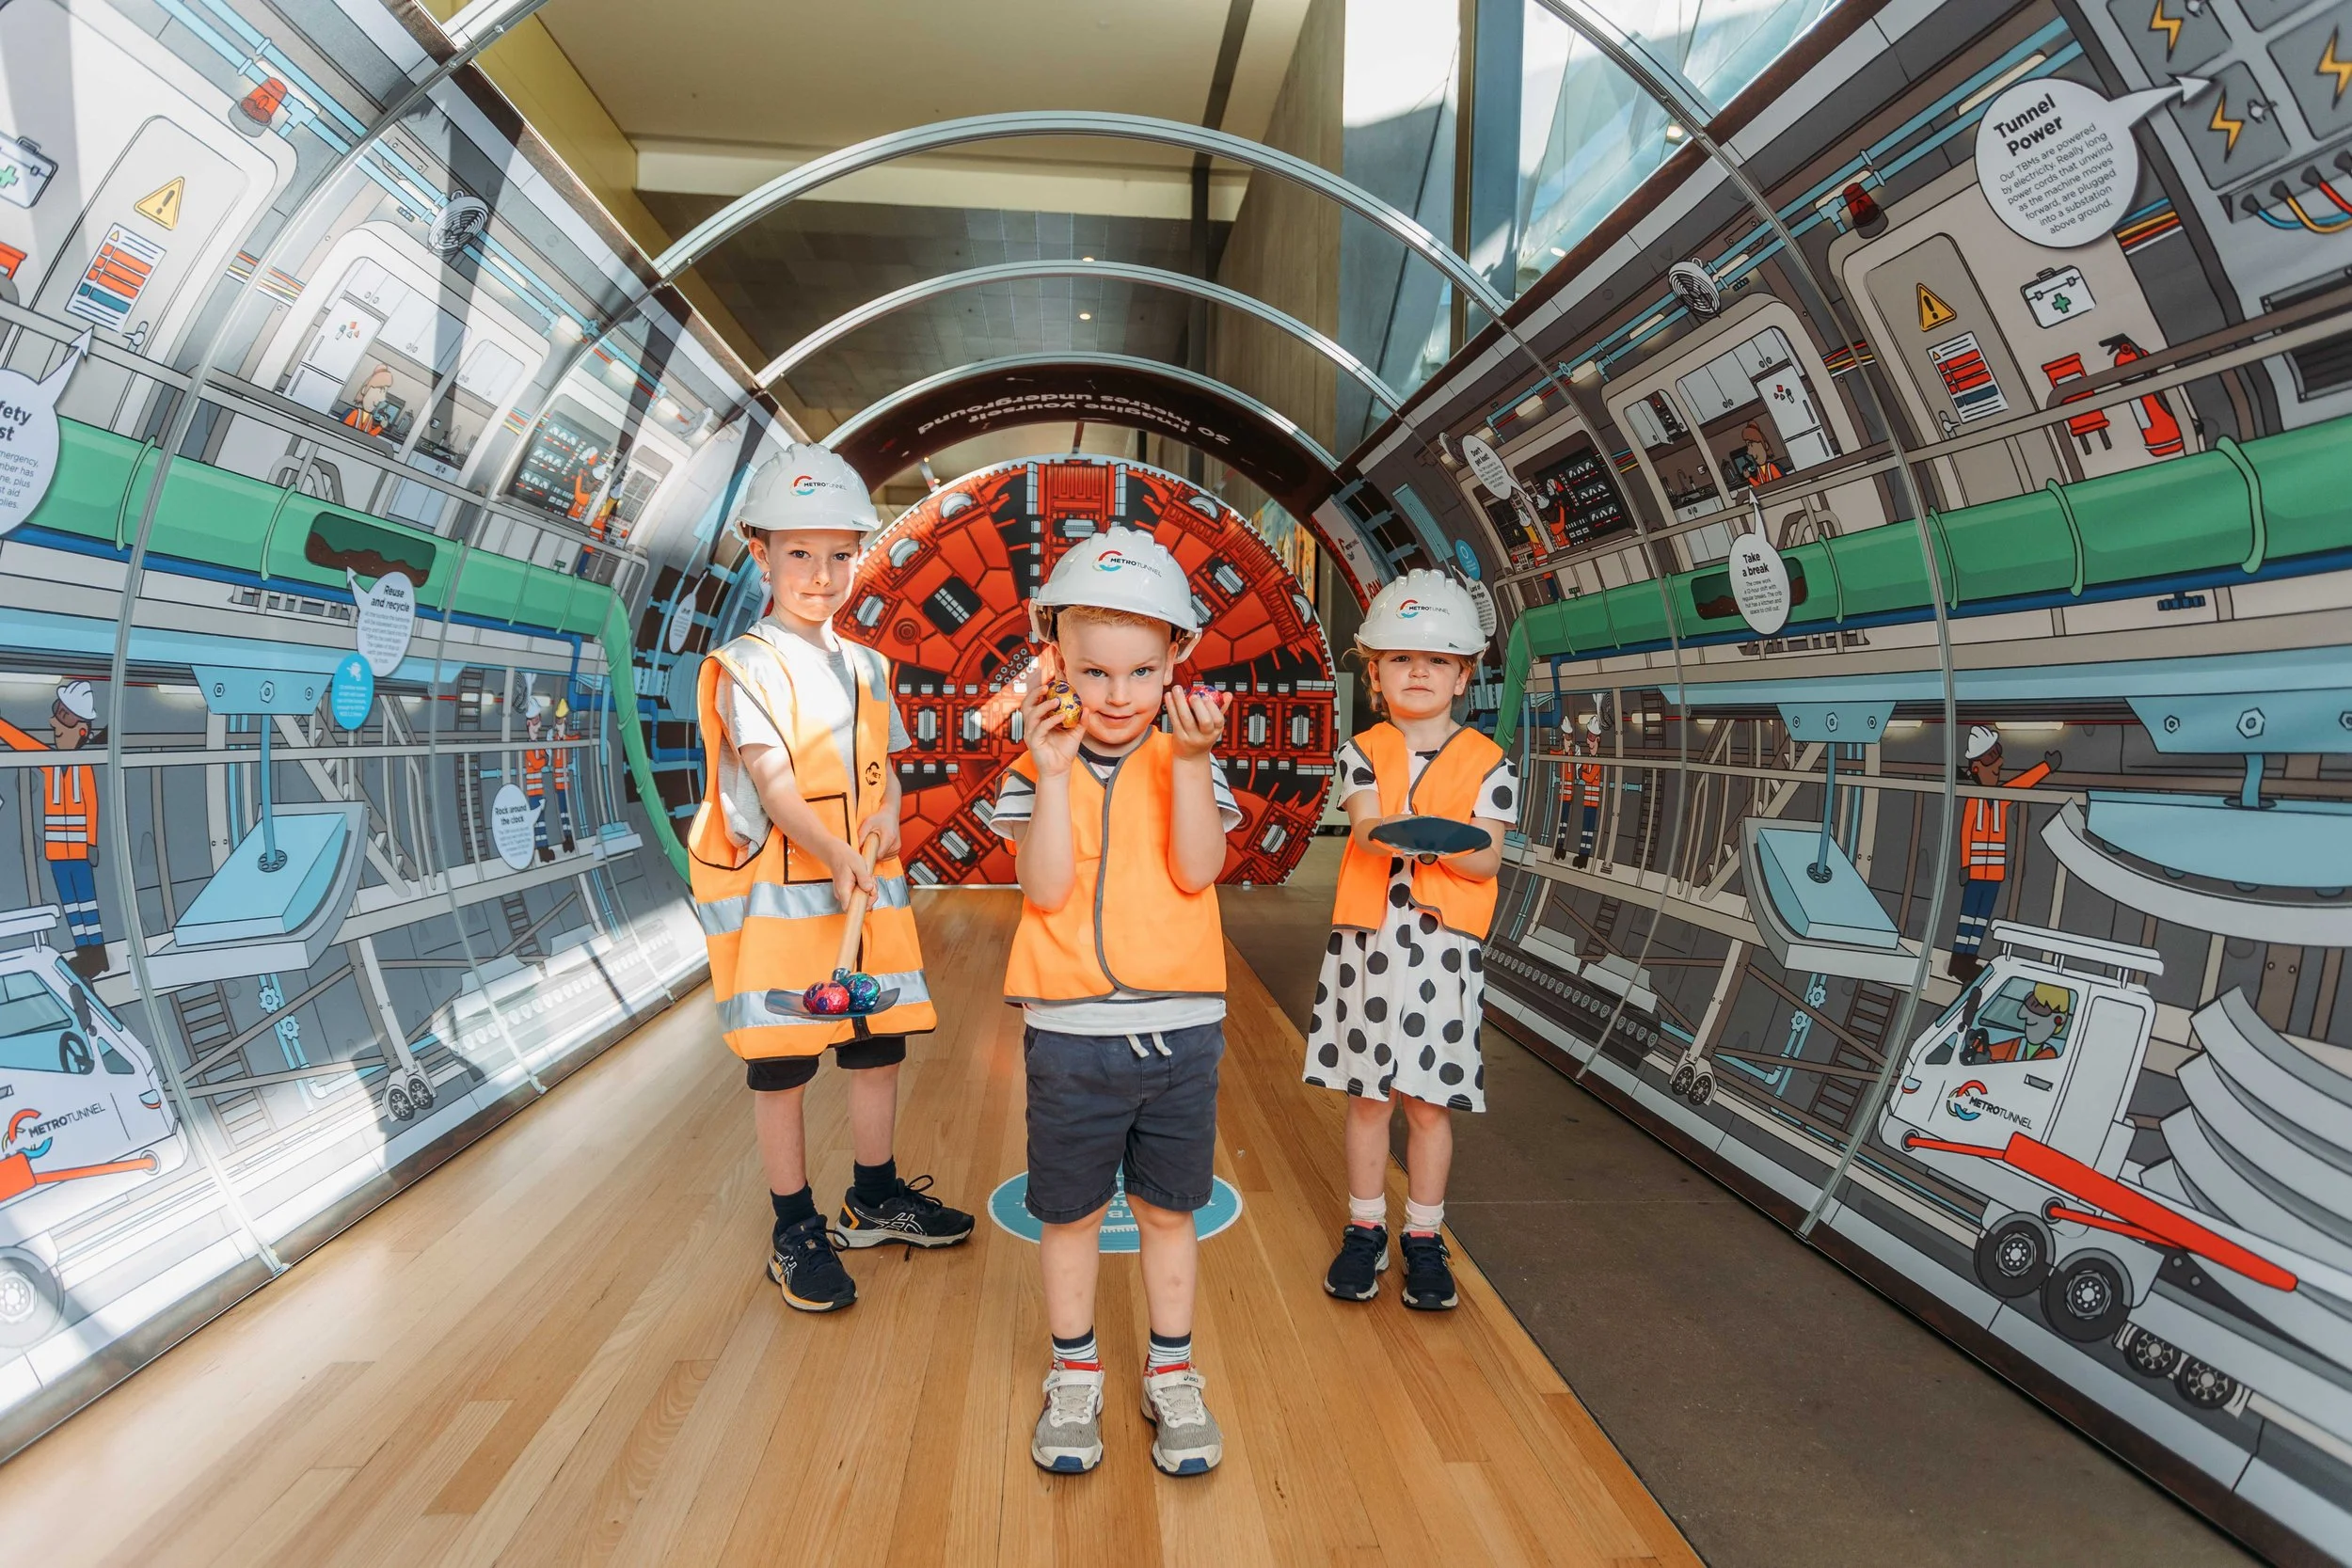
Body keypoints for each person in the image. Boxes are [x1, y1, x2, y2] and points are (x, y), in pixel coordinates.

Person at [685, 446, 974, 1315]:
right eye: (799, 553)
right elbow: (774, 785)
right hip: (787, 908)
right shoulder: (747, 669)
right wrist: (836, 849)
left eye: (839, 553)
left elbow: (882, 772)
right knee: (783, 1064)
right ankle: (793, 1225)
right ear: (759, 553)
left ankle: (875, 1196)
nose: (821, 573)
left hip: (863, 899)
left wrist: (887, 823)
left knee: (876, 1044)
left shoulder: (868, 666)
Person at [993, 526, 1239, 1478]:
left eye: (1142, 670)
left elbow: (1198, 866)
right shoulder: (1037, 764)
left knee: (1172, 1208)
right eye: (1094, 671)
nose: (1118, 693)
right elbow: (1045, 889)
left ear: (1177, 660)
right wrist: (1050, 778)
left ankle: (1171, 1369)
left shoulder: (1191, 757)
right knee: (1070, 1212)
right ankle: (1074, 1370)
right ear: (1056, 655)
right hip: (1068, 1036)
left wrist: (1186, 763)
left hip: (1182, 1029)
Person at [1304, 571, 1517, 1312]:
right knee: (1368, 1100)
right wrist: (1423, 834)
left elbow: (1487, 856)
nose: (1417, 671)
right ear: (1375, 673)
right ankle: (1366, 1228)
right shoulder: (1361, 751)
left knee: (1428, 1104)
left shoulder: (1490, 763)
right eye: (1399, 658)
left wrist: (1435, 842)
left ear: (1463, 675)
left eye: (1435, 660)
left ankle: (1424, 1235)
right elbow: (1365, 827)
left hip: (1442, 955)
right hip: (1370, 948)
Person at [0, 679, 108, 979]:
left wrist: (92, 842)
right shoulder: (50, 762)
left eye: (63, 716)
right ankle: (85, 952)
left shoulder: (82, 767)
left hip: (78, 852)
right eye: (56, 714)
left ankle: (96, 953)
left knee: (87, 903)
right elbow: (21, 742)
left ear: (82, 731)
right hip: (57, 853)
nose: (54, 723)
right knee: (72, 905)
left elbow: (92, 803)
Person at [1949, 723, 2059, 985]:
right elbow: (1966, 831)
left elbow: (2022, 784)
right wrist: (1965, 864)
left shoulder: (1999, 796)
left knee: (1981, 919)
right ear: (1976, 769)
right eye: (1992, 764)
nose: (1998, 768)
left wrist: (2045, 768)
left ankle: (1969, 958)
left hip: (1994, 874)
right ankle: (1959, 959)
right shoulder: (1974, 799)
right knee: (1968, 917)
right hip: (1977, 872)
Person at [522, 694, 575, 863]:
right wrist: (545, 758)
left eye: (538, 719)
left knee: (560, 815)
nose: (538, 724)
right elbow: (538, 763)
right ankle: (542, 848)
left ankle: (567, 839)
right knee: (539, 820)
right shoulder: (531, 747)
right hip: (535, 790)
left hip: (549, 786)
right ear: (529, 723)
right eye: (535, 720)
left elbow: (545, 759)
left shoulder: (557, 740)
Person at [1554, 710, 1605, 868]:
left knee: (1587, 829)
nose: (1589, 743)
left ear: (1597, 740)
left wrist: (1581, 771)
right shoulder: (1568, 755)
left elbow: (1588, 777)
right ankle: (1560, 848)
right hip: (1571, 797)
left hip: (1590, 801)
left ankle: (1583, 856)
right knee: (1563, 824)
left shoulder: (1596, 762)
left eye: (1591, 739)